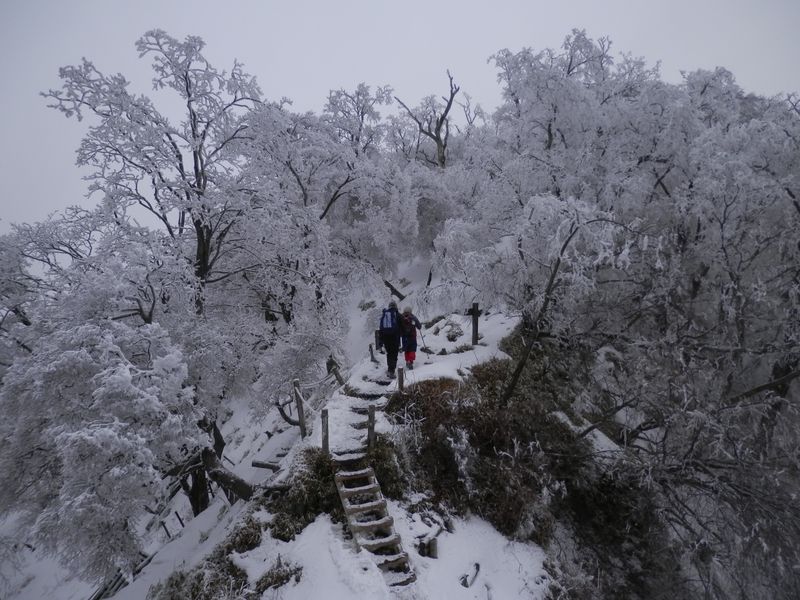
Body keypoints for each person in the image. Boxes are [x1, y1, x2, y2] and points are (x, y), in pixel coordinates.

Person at [378, 300, 402, 378]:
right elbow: (402, 327)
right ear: (395, 306)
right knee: (394, 354)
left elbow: (381, 329)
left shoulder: (384, 315)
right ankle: (392, 371)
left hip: (386, 338)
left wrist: (381, 341)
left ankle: (389, 370)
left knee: (389, 354)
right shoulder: (398, 315)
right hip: (395, 338)